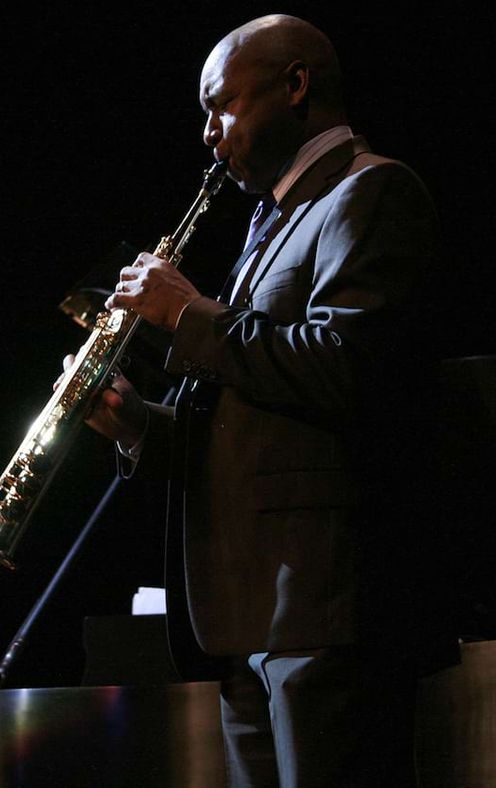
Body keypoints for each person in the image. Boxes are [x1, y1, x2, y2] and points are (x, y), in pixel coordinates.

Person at [68, 14, 457, 788]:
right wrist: (135, 422)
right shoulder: (270, 221)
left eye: (223, 107)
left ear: (296, 85)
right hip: (248, 618)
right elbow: (250, 427)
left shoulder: (370, 190)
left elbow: (348, 368)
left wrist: (187, 312)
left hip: (328, 613)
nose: (211, 134)